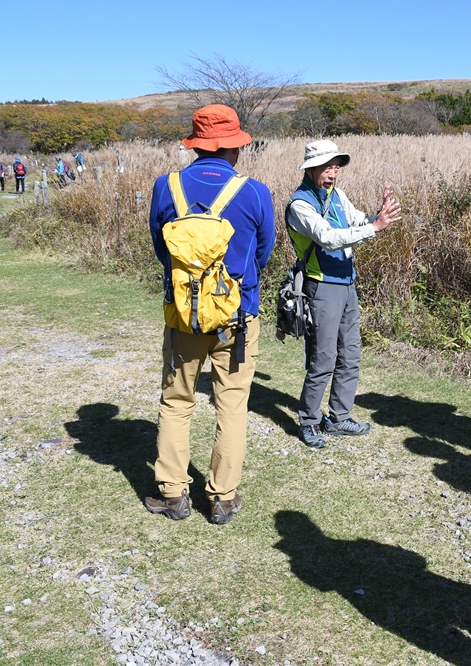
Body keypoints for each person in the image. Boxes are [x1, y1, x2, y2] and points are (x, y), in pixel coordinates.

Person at [145, 104, 276, 524]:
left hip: (184, 316)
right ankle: (222, 497)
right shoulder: (255, 192)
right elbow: (263, 254)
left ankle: (172, 494)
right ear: (234, 147)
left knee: (176, 401)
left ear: (196, 145)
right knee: (232, 405)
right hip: (238, 316)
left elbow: (162, 250)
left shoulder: (165, 187)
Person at [286, 139, 401, 449]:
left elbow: (358, 221)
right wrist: (374, 227)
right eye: (327, 167)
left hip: (347, 284)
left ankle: (339, 417)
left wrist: (378, 216)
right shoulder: (300, 205)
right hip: (321, 286)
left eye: (336, 166)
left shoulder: (338, 196)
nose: (333, 172)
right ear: (310, 169)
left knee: (350, 354)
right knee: (323, 358)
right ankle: (309, 421)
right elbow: (328, 238)